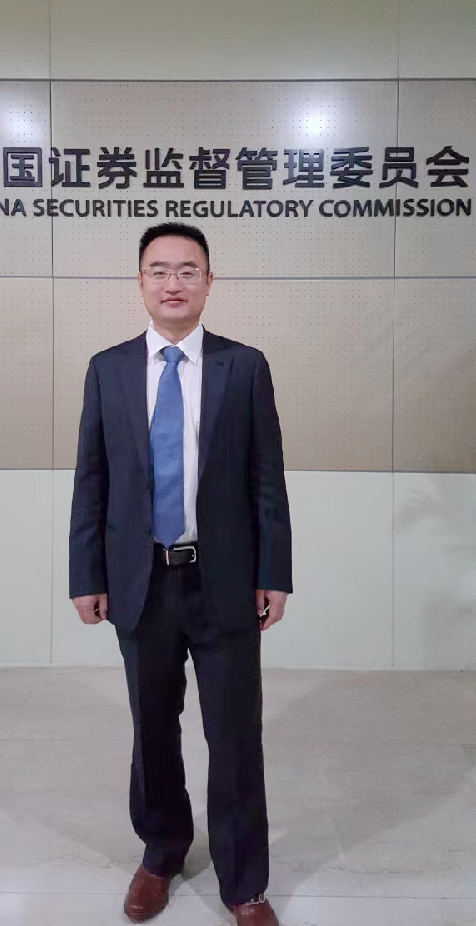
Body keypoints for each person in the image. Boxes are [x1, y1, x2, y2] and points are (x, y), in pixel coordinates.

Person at [70, 222, 292, 925]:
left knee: (235, 737)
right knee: (153, 731)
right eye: (159, 270)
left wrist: (274, 572)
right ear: (140, 281)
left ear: (208, 281)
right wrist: (86, 573)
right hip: (141, 583)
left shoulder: (243, 366)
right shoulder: (107, 369)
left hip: (224, 580)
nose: (173, 283)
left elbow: (266, 477)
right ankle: (161, 852)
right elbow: (92, 480)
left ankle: (244, 883)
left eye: (188, 270)